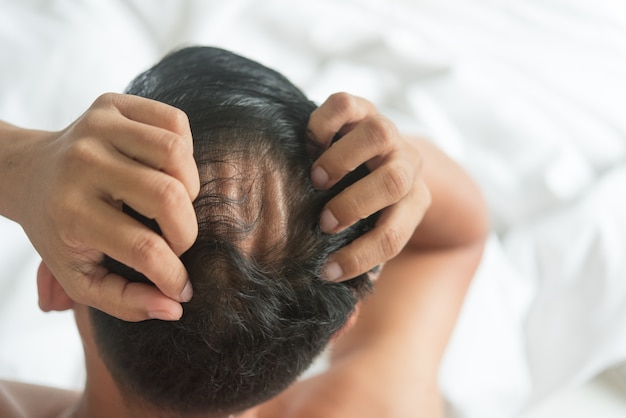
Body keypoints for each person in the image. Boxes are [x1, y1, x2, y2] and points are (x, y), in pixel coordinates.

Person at [0, 46, 487, 418]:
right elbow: (455, 239)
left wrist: (18, 165)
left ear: (56, 280)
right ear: (341, 321)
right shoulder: (371, 404)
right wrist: (393, 168)